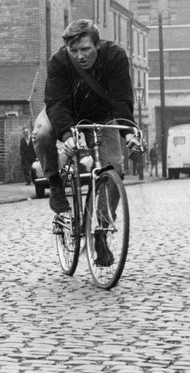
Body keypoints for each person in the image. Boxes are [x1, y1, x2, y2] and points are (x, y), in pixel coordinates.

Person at [32, 19, 141, 265]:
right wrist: (67, 136)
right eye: (74, 51)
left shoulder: (115, 57)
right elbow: (57, 104)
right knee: (42, 134)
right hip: (63, 112)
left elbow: (122, 98)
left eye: (85, 50)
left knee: (114, 168)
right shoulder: (59, 63)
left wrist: (129, 133)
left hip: (101, 116)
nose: (80, 56)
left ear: (97, 44)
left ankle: (101, 231)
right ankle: (55, 183)